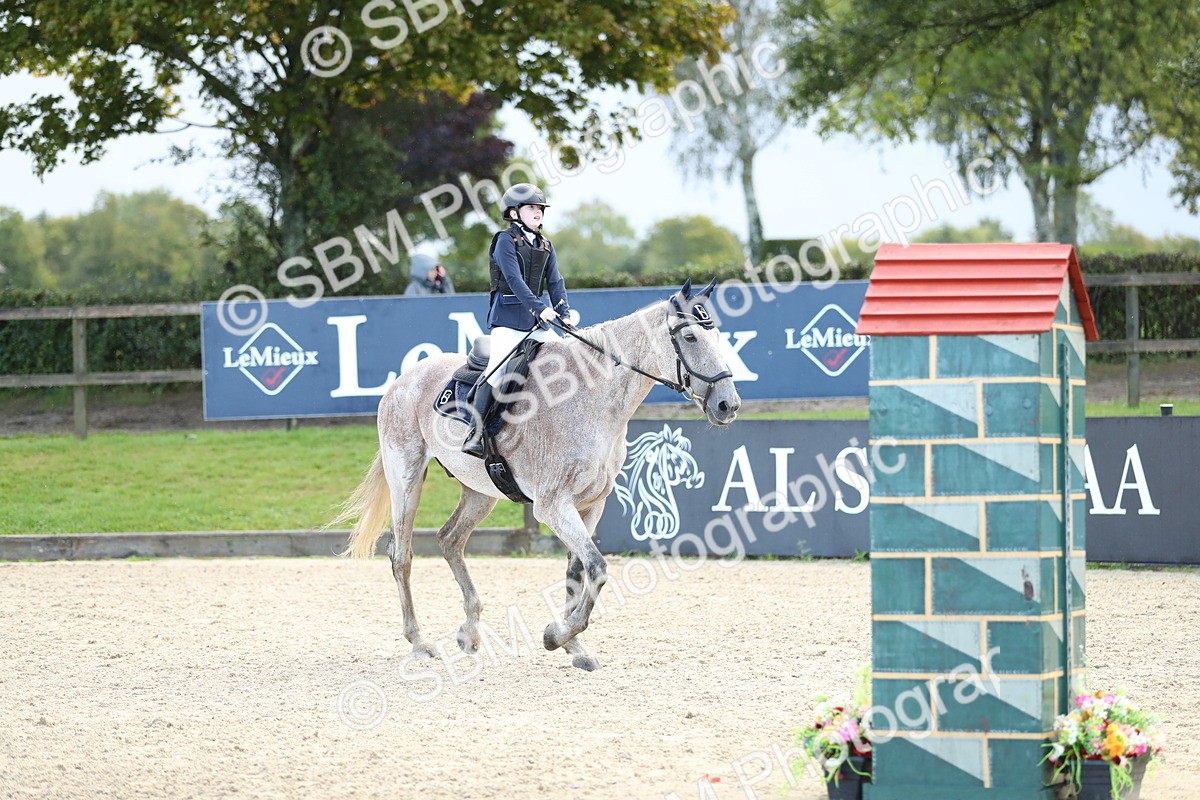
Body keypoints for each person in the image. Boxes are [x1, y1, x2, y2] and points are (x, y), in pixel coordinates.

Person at [462, 182, 571, 456]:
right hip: (507, 320)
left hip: (538, 323)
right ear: (513, 212)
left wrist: (564, 313)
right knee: (496, 371)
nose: (538, 213)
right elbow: (514, 279)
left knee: (568, 361)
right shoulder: (504, 241)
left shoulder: (546, 245)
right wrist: (540, 307)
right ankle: (475, 433)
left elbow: (555, 281)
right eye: (532, 208)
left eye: (540, 209)